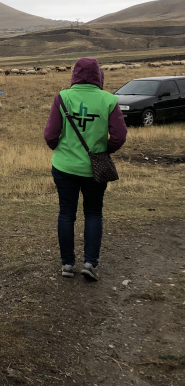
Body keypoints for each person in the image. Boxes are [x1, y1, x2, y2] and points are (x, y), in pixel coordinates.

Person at [43, 57, 127, 281]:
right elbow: (119, 136)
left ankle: (67, 264)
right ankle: (90, 263)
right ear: (99, 75)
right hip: (95, 169)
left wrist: (60, 148)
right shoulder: (109, 100)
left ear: (75, 75)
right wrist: (103, 150)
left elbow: (50, 135)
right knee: (93, 213)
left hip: (64, 166)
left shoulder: (63, 97)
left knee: (66, 214)